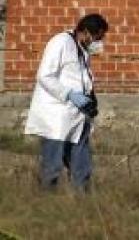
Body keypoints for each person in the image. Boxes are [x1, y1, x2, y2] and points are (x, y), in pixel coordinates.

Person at [24, 13, 109, 191]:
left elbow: (82, 77)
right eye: (97, 37)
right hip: (56, 116)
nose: (99, 42)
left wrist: (90, 99)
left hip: (77, 115)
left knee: (81, 162)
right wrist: (69, 94)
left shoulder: (82, 48)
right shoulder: (60, 42)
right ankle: (47, 202)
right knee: (53, 164)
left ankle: (82, 198)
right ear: (85, 32)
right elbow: (44, 76)